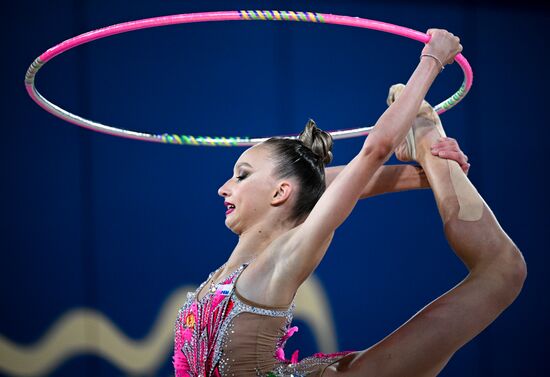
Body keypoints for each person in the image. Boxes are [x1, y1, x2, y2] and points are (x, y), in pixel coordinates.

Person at [173, 29, 526, 377]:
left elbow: (372, 152)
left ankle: (425, 132)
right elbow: (311, 184)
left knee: (504, 271)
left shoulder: (286, 255)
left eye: (241, 175)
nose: (223, 188)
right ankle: (430, 154)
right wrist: (423, 173)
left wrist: (432, 60)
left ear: (280, 193)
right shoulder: (220, 278)